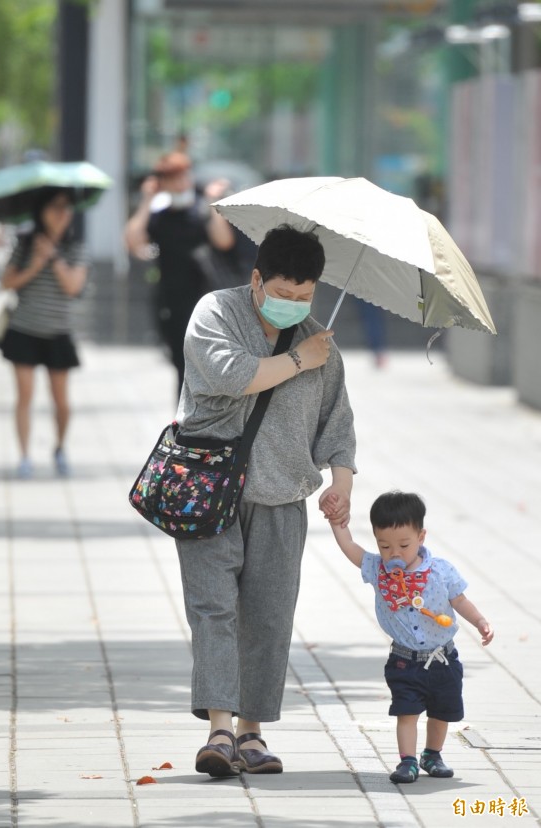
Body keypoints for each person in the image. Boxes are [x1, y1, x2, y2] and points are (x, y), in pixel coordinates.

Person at [174, 224, 357, 777]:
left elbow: (337, 424)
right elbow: (232, 376)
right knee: (214, 609)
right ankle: (220, 729)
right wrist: (300, 358)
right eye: (283, 293)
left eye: (304, 297)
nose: (294, 305)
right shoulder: (215, 313)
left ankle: (252, 734)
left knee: (269, 616)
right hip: (208, 490)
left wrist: (341, 481)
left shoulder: (319, 339)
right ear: (257, 280)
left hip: (282, 498)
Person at [323, 490, 494, 784]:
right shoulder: (379, 569)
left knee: (442, 712)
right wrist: (337, 522)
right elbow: (350, 547)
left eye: (404, 545)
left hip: (443, 658)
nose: (395, 553)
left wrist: (479, 621)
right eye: (384, 545)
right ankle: (408, 761)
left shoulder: (440, 570)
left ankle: (432, 754)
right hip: (404, 660)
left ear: (421, 537)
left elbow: (460, 600)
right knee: (407, 711)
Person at [123, 151, 235, 397]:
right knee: (181, 366)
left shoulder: (201, 208)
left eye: (183, 175)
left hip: (205, 299)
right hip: (171, 302)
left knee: (208, 365)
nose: (180, 182)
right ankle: (184, 423)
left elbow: (224, 241)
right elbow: (132, 241)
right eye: (172, 178)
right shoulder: (160, 215)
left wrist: (213, 205)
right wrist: (146, 200)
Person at [0, 188, 87, 479]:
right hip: (24, 329)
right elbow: (7, 282)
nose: (62, 213)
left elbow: (73, 287)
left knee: (61, 400)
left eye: (67, 207)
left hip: (59, 332)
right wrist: (35, 264)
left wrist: (53, 258)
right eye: (55, 207)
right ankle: (24, 456)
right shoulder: (24, 243)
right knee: (24, 396)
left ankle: (60, 448)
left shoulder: (75, 247)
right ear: (41, 211)